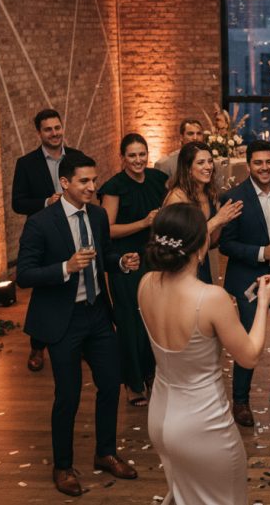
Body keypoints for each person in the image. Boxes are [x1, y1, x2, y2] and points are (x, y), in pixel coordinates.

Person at [16, 153, 140, 496]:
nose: (92, 187)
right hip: (62, 319)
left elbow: (104, 255)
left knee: (110, 385)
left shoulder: (98, 216)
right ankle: (63, 466)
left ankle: (105, 453)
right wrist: (65, 268)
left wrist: (121, 262)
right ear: (65, 183)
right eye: (84, 181)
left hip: (98, 314)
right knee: (67, 396)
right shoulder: (41, 223)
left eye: (94, 180)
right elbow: (24, 274)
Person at [138, 203, 270, 505]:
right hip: (203, 424)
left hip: (161, 416)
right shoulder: (210, 298)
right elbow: (250, 356)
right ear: (201, 245)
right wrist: (263, 303)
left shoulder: (145, 284)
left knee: (183, 496)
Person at [219, 140, 270, 426]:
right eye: (258, 163)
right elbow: (226, 245)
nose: (265, 168)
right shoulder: (234, 197)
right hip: (249, 280)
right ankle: (240, 401)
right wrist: (261, 252)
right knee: (247, 343)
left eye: (269, 162)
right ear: (248, 165)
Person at [11, 108, 86, 372]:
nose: (55, 133)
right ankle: (37, 345)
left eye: (57, 127)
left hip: (74, 230)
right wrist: (46, 202)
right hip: (45, 235)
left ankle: (74, 339)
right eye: (48, 129)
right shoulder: (26, 163)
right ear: (39, 133)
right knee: (45, 288)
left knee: (75, 283)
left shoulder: (77, 157)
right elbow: (17, 203)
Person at [98, 134, 168, 407]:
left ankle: (152, 374)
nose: (138, 160)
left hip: (154, 258)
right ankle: (133, 382)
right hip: (126, 260)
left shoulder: (157, 179)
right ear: (122, 158)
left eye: (142, 154)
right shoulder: (114, 187)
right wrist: (143, 223)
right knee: (129, 320)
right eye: (132, 155)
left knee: (153, 319)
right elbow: (107, 229)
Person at [163, 142, 243, 283]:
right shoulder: (177, 198)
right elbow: (185, 244)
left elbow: (211, 243)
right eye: (201, 162)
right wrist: (216, 220)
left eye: (210, 161)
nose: (208, 167)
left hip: (202, 265)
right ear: (188, 168)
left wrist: (222, 222)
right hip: (180, 270)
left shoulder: (208, 193)